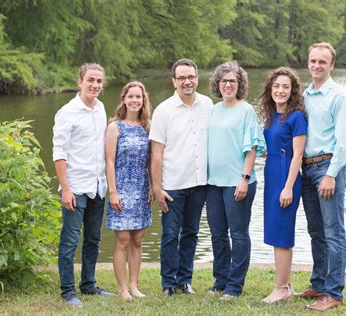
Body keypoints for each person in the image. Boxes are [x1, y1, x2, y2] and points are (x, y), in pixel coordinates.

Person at [295, 42, 346, 311]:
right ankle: (318, 284)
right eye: (313, 61)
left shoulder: (339, 96)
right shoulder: (305, 95)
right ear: (308, 63)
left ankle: (333, 293)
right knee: (316, 231)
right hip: (307, 169)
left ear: (331, 65)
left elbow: (343, 142)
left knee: (333, 231)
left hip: (328, 169)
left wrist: (331, 175)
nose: (317, 65)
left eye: (323, 61)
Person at [149, 58, 213, 296]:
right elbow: (156, 153)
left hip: (199, 183)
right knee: (169, 234)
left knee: (191, 233)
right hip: (172, 185)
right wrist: (157, 187)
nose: (187, 81)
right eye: (182, 78)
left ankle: (185, 280)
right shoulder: (164, 110)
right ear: (174, 81)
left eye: (191, 77)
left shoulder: (208, 105)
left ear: (197, 78)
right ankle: (168, 283)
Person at [53, 63, 114, 307]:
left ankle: (88, 285)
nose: (95, 85)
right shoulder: (67, 112)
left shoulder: (100, 108)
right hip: (75, 187)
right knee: (69, 240)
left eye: (99, 81)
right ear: (80, 81)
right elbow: (59, 154)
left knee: (93, 239)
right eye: (90, 80)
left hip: (98, 185)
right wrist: (65, 188)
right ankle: (68, 291)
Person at [206, 62, 265, 301]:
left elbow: (251, 147)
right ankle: (220, 280)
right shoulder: (214, 109)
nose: (228, 85)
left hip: (238, 182)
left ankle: (234, 286)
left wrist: (244, 178)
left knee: (238, 233)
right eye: (224, 81)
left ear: (239, 85)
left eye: (233, 81)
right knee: (217, 233)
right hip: (213, 182)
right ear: (217, 84)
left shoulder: (246, 111)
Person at [259, 67, 307, 304]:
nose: (280, 90)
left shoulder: (296, 116)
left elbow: (297, 155)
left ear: (293, 90)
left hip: (286, 177)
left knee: (282, 232)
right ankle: (285, 286)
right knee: (275, 229)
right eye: (276, 86)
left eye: (285, 86)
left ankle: (281, 288)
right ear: (270, 88)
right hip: (272, 173)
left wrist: (288, 187)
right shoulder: (272, 115)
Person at [105, 81, 153, 300]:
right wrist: (113, 191)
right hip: (121, 187)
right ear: (124, 99)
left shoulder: (147, 126)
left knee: (138, 239)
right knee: (123, 239)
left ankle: (134, 286)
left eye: (139, 97)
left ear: (143, 101)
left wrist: (153, 186)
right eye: (131, 96)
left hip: (142, 187)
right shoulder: (115, 127)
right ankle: (122, 289)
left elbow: (152, 160)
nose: (135, 100)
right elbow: (109, 161)